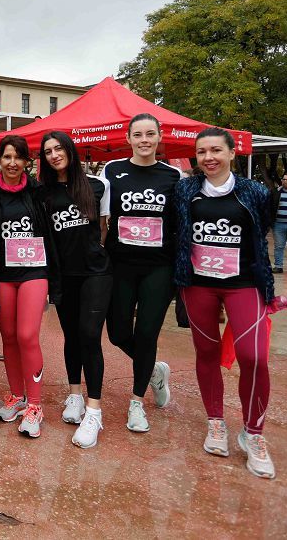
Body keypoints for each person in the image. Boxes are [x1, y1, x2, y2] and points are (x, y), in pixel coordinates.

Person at [174, 127, 276, 479]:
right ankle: (215, 422)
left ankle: (253, 434)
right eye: (202, 152)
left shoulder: (256, 192)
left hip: (244, 284)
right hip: (198, 285)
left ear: (233, 153)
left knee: (254, 357)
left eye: (216, 150)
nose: (209, 158)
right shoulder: (186, 190)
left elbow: (262, 235)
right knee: (207, 352)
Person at [102, 114, 182, 434]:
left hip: (158, 267)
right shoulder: (112, 171)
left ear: (159, 137)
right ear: (129, 138)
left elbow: (180, 224)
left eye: (151, 134)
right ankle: (154, 371)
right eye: (138, 134)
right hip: (120, 265)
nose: (145, 140)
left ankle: (137, 402)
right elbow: (103, 218)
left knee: (147, 333)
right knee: (119, 333)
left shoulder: (173, 175)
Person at [39, 131, 112, 449]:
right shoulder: (43, 193)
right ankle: (74, 396)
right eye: (48, 151)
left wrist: (97, 252)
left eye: (58, 148)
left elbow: (106, 227)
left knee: (89, 335)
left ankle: (94, 411)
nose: (54, 154)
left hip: (96, 273)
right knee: (71, 336)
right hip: (63, 276)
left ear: (70, 150)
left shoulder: (98, 185)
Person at [0, 135, 57, 439]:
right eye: (7, 157)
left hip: (33, 271)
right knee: (9, 337)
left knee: (27, 335)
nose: (13, 163)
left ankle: (35, 405)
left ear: (28, 162)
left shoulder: (39, 193)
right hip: (2, 274)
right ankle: (16, 396)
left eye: (19, 157)